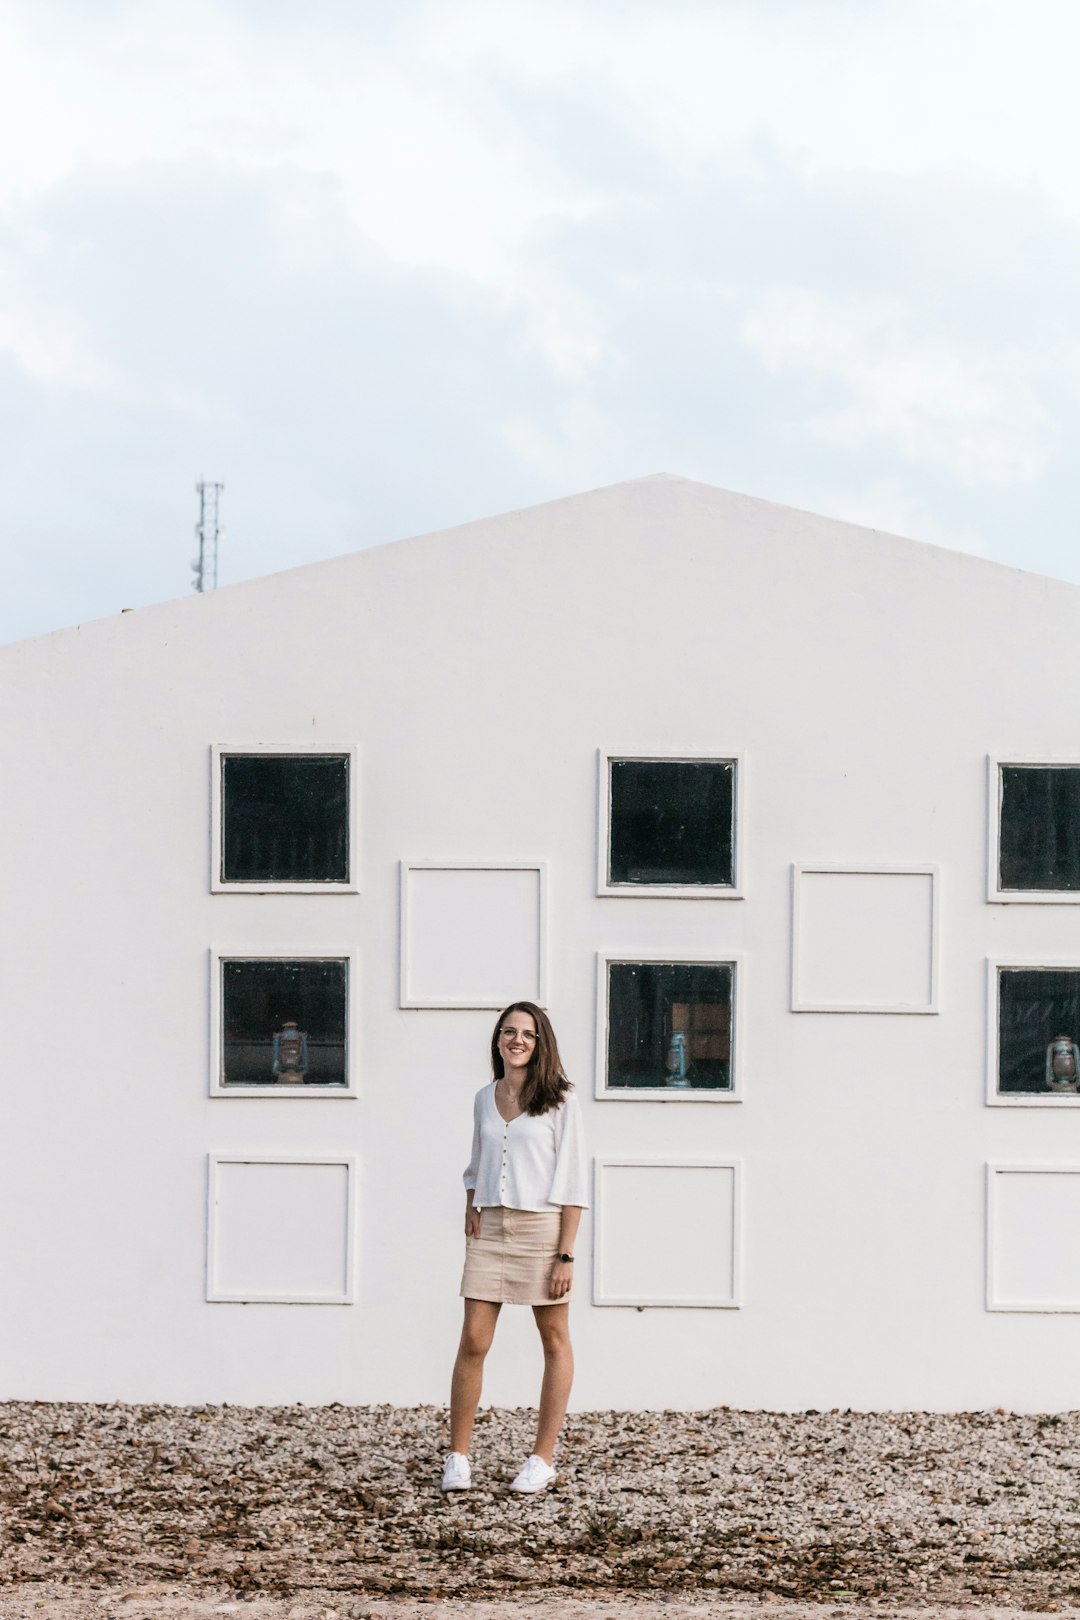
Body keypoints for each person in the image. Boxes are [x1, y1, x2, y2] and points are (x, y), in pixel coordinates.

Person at [443, 1000, 588, 1494]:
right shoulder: (485, 1097)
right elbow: (476, 1161)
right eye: (509, 1032)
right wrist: (471, 1203)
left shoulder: (560, 1100)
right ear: (499, 1040)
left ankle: (542, 1458)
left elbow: (572, 1183)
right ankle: (458, 1456)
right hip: (491, 1229)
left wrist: (565, 1253)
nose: (517, 1040)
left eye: (527, 1033)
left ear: (540, 1042)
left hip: (542, 1231)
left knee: (553, 1340)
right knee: (474, 1341)